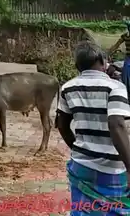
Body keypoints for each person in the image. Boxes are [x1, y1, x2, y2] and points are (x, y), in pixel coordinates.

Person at [56, 41, 130, 214]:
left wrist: (79, 149)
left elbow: (62, 125)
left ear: (78, 66)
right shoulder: (116, 87)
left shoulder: (67, 88)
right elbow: (117, 124)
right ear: (103, 62)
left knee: (84, 211)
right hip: (112, 169)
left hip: (81, 167)